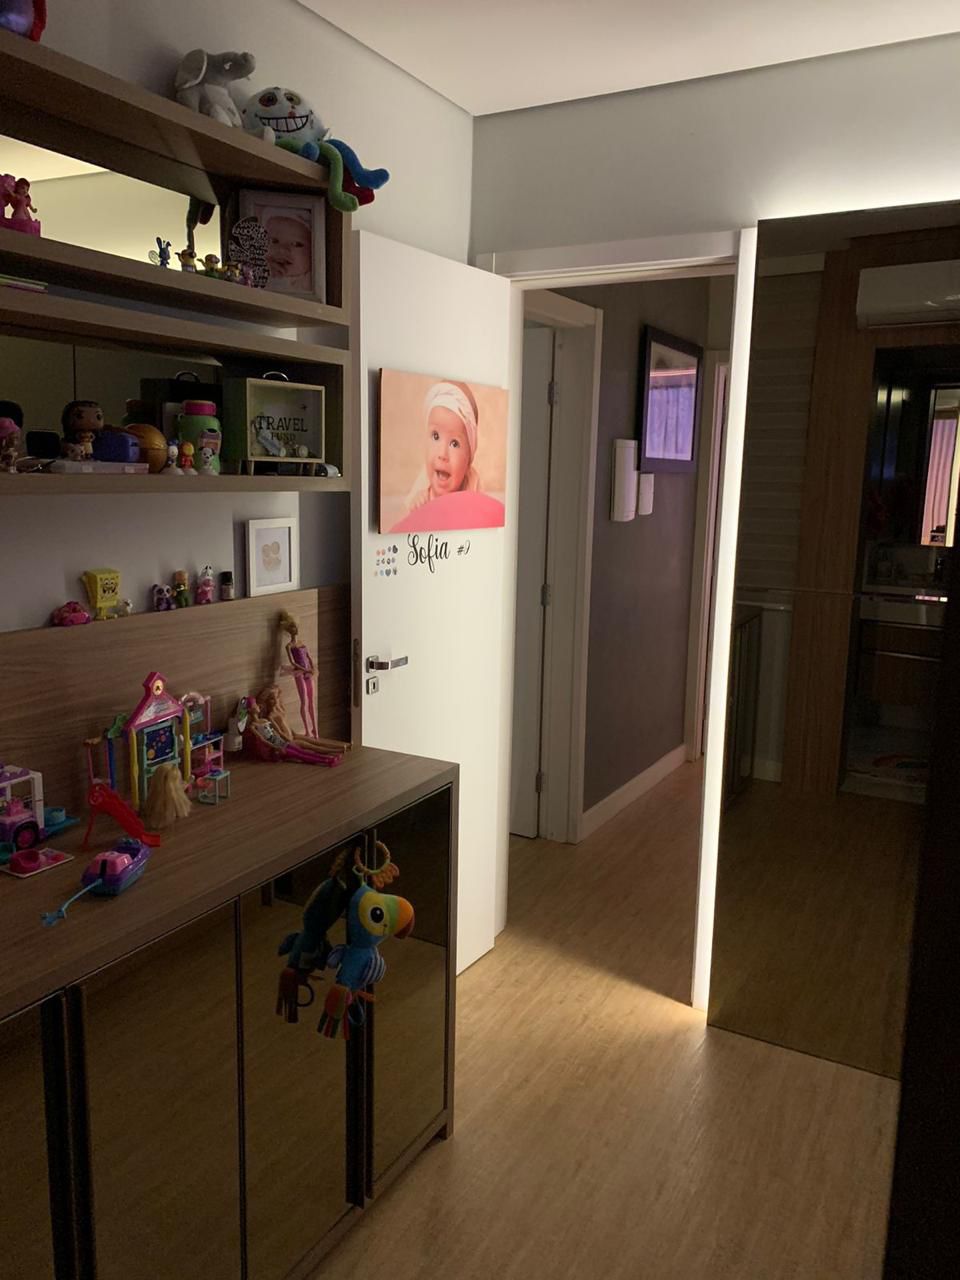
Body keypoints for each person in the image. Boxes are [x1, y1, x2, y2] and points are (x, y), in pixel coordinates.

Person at [404, 381, 483, 514]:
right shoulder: (423, 486)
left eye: (454, 444)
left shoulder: (472, 485)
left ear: (468, 459)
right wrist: (416, 506)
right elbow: (406, 522)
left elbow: (483, 514)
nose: (442, 454)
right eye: (435, 436)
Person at [263, 209, 312, 293]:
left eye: (297, 244)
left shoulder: (310, 281)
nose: (282, 249)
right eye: (274, 241)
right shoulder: (260, 271)